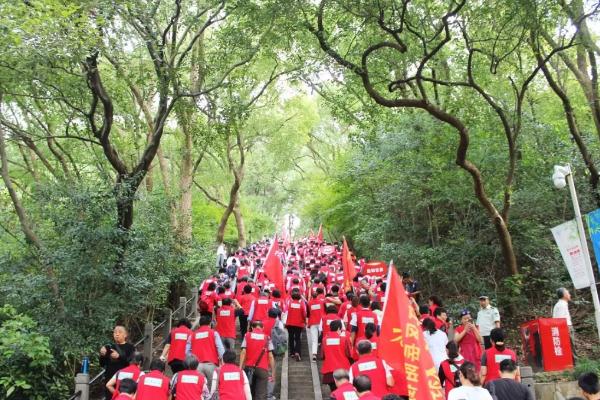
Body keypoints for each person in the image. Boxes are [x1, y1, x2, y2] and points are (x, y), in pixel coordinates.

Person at [239, 321, 276, 400]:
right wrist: (273, 372)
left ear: (252, 328)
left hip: (249, 368)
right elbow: (270, 356)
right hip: (262, 369)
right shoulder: (267, 337)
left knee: (248, 391)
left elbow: (243, 352)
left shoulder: (247, 335)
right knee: (261, 394)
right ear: (263, 328)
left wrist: (240, 367)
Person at [99, 325, 136, 400]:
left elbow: (131, 363)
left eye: (120, 332)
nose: (117, 334)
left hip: (124, 380)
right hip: (109, 379)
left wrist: (119, 356)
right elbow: (102, 364)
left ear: (125, 335)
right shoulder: (109, 347)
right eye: (115, 332)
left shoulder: (130, 347)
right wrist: (102, 355)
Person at [191, 315, 225, 386]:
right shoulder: (214, 333)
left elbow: (187, 351)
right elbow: (220, 349)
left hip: (197, 365)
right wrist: (222, 362)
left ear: (199, 324)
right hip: (211, 364)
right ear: (210, 324)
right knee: (212, 388)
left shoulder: (193, 335)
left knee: (199, 388)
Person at [322, 320, 352, 391]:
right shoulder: (343, 339)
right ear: (338, 328)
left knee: (333, 392)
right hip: (343, 370)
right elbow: (349, 354)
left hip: (329, 371)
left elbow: (322, 355)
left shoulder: (324, 340)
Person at [553, 287, 577, 358]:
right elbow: (560, 320)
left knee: (570, 344)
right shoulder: (562, 305)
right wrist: (565, 329)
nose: (570, 295)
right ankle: (574, 361)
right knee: (570, 344)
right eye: (568, 293)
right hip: (565, 327)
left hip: (565, 326)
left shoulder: (561, 304)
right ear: (564, 295)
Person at [285, 290, 307, 361]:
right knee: (297, 338)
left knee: (291, 338)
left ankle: (292, 352)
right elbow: (304, 313)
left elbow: (285, 312)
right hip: (298, 323)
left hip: (289, 323)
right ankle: (297, 352)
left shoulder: (289, 303)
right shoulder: (301, 304)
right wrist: (304, 321)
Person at [308, 290, 325, 361]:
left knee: (314, 340)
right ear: (317, 295)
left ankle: (314, 354)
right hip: (321, 322)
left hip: (312, 322)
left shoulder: (309, 303)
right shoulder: (321, 302)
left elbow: (308, 313)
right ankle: (322, 353)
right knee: (323, 338)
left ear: (312, 296)